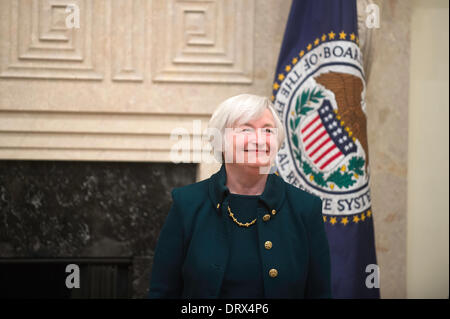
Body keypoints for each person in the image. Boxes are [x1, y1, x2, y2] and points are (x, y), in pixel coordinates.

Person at [148, 94, 331, 298]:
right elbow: (162, 292)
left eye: (268, 130)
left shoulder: (305, 208)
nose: (259, 139)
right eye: (246, 129)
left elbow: (321, 294)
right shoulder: (187, 204)